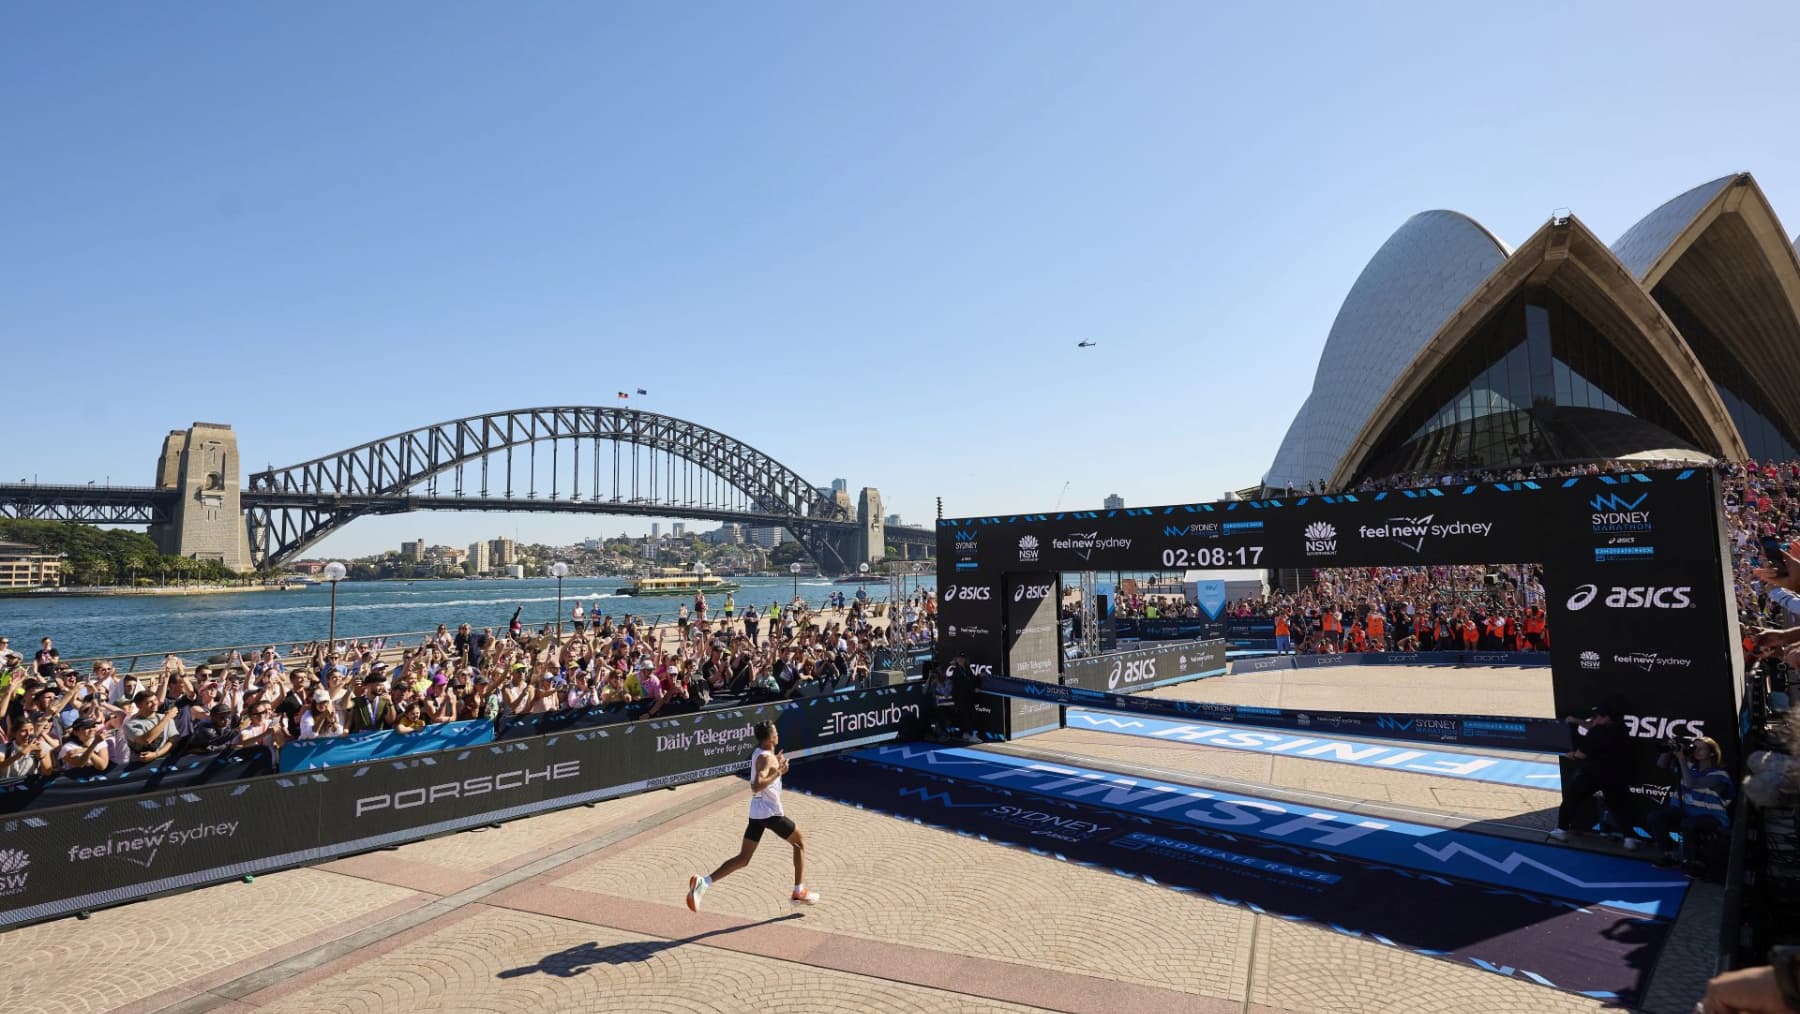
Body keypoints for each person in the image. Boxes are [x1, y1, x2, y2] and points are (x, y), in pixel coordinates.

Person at [686, 720, 818, 911]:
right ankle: (799, 890)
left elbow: (764, 770)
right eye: (776, 733)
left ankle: (703, 883)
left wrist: (776, 766)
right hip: (770, 814)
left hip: (757, 813)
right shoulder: (766, 758)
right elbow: (756, 785)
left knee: (743, 858)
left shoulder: (760, 753)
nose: (778, 735)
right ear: (771, 737)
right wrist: (779, 771)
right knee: (799, 842)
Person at [1553, 700, 1639, 846]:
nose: (1594, 719)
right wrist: (1577, 721)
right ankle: (1629, 838)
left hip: (1593, 773)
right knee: (1619, 807)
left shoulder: (1598, 732)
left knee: (1571, 799)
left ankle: (1561, 831)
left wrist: (1570, 754)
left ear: (1607, 717)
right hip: (1615, 774)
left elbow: (1581, 754)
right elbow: (1591, 725)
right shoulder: (1622, 728)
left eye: (1598, 716)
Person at [1644, 734, 1733, 869]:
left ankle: (1691, 862)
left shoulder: (1719, 774)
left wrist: (1681, 759)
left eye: (1702, 749)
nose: (1697, 751)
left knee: (1688, 824)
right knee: (1655, 817)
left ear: (1712, 753)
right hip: (1687, 811)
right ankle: (1669, 854)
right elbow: (1661, 764)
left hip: (1712, 816)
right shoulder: (1690, 766)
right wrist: (1669, 748)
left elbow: (1691, 783)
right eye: (1695, 748)